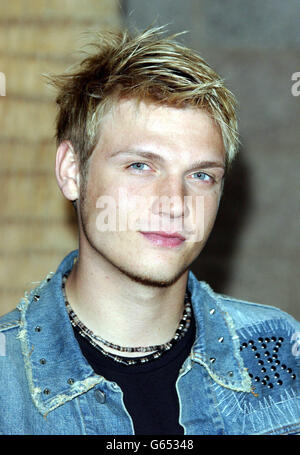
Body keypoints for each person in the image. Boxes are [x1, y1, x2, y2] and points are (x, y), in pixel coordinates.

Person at [0, 26, 299, 436]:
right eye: (140, 166)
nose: (175, 203)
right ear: (72, 171)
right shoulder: (6, 379)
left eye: (201, 175)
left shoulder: (282, 352)